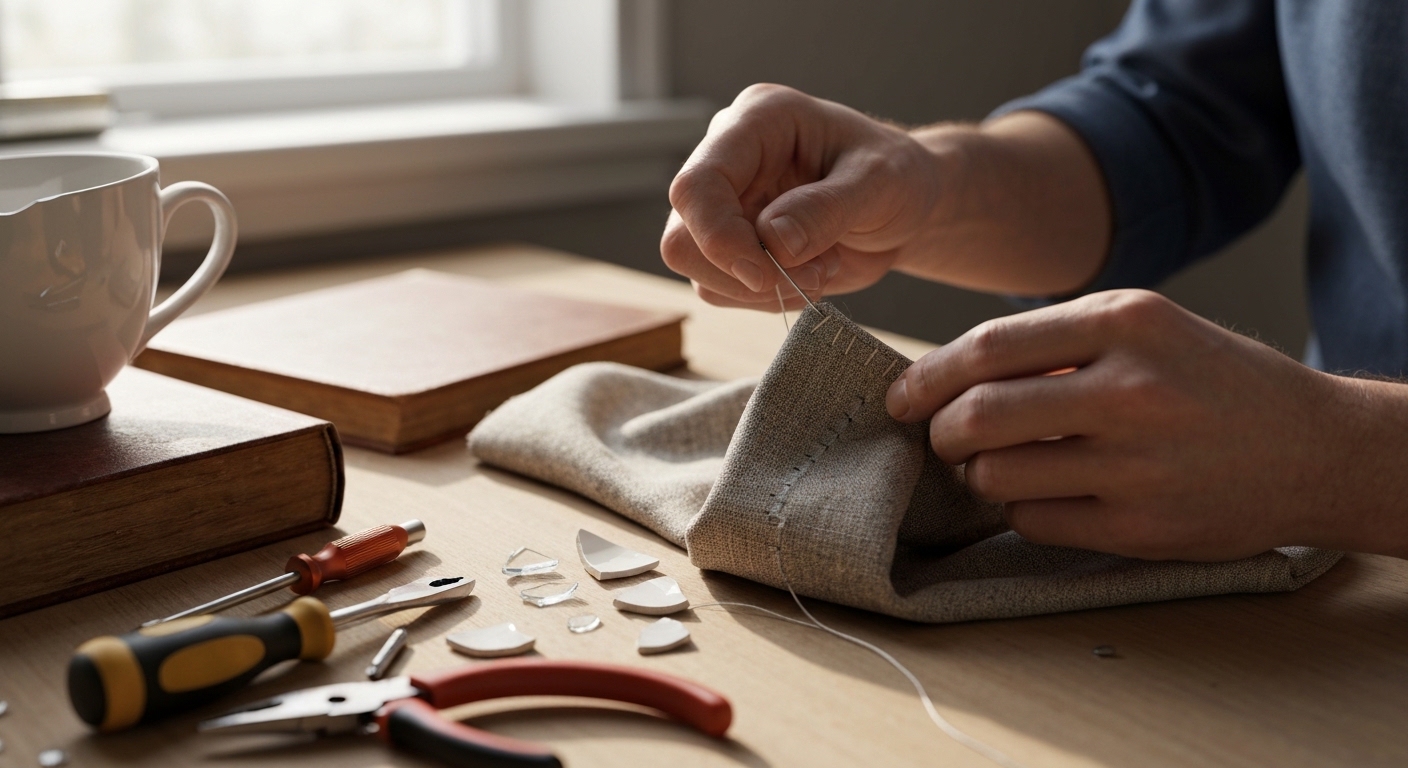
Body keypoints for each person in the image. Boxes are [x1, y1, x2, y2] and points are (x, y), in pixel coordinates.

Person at [659, 0, 1408, 562]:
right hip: (1343, 588)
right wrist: (930, 184)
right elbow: (1176, 115)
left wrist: (1342, 458)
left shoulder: (1311, 471)